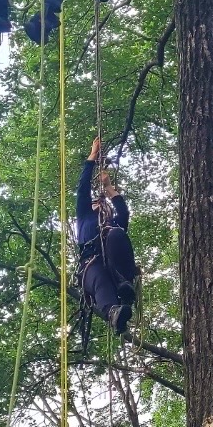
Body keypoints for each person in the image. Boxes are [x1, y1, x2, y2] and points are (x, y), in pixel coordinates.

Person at [76, 135, 139, 334]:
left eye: (102, 204)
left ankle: (124, 286)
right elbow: (83, 189)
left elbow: (124, 213)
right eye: (96, 202)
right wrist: (92, 156)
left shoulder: (113, 224)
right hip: (91, 262)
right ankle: (114, 313)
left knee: (116, 234)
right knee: (98, 278)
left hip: (115, 264)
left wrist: (109, 188)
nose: (99, 204)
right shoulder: (85, 215)